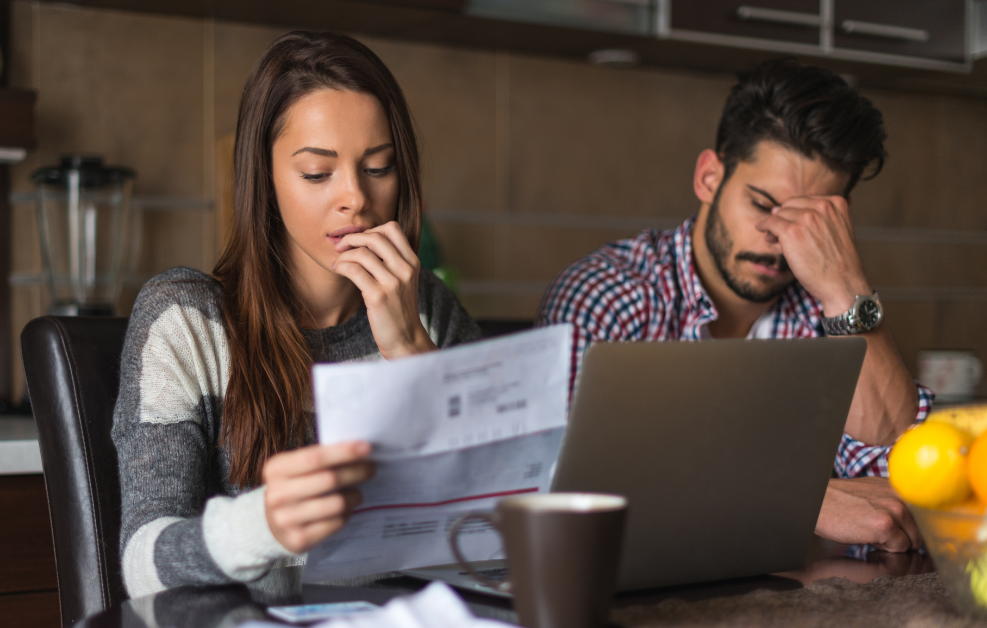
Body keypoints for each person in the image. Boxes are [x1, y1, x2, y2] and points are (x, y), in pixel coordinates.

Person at [112, 31, 480, 596]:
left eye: (378, 168)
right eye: (317, 173)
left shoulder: (428, 309)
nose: (355, 197)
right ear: (265, 178)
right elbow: (142, 568)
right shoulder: (187, 320)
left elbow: (494, 537)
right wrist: (262, 526)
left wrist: (412, 352)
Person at [537, 58, 932, 553]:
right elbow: (564, 498)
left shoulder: (829, 313)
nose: (778, 238)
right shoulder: (609, 295)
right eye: (764, 205)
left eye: (809, 220)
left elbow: (912, 490)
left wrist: (845, 288)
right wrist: (802, 500)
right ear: (709, 177)